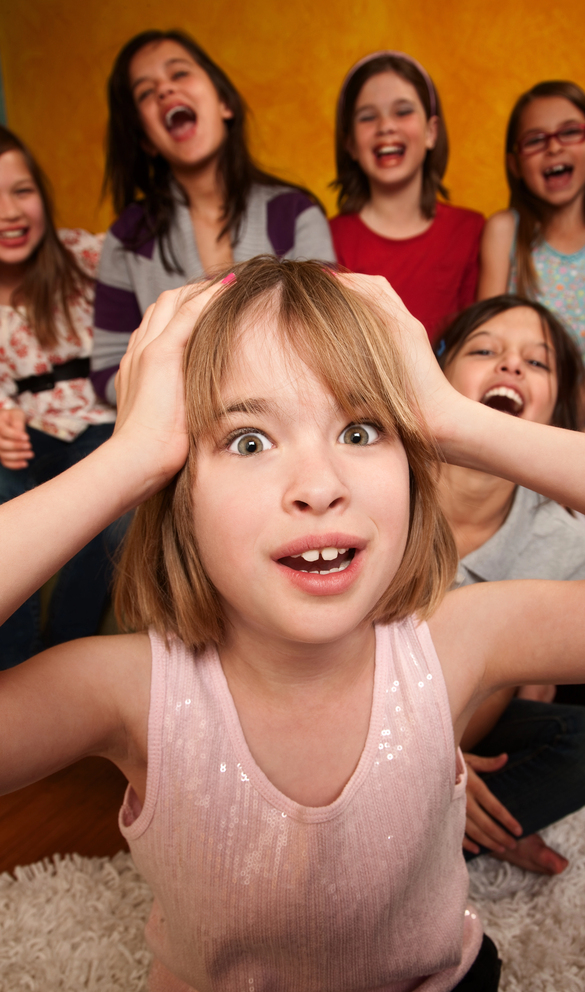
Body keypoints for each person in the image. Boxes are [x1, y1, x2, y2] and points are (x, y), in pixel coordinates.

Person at [5, 260, 585, 992]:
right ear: (176, 492)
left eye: (360, 429)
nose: (321, 486)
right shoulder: (123, 689)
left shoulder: (457, 637)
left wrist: (455, 420)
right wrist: (127, 461)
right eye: (250, 441)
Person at [435, 295, 585, 875]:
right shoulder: (375, 474)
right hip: (329, 699)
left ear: (559, 414)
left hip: (458, 720)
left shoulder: (558, 544)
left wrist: (449, 770)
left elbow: (513, 688)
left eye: (536, 363)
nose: (510, 365)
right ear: (436, 376)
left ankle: (436, 822)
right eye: (485, 350)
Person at [91, 29, 334, 404]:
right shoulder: (127, 239)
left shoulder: (295, 213)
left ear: (225, 103)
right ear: (146, 140)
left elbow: (327, 330)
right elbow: (108, 372)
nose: (164, 91)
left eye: (180, 73)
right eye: (144, 92)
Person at [0, 125, 118, 669]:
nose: (9, 211)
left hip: (98, 421)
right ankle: (14, 664)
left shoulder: (86, 256)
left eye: (21, 191)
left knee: (99, 492)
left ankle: (60, 653)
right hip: (25, 431)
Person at [478, 81, 585, 416]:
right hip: (516, 416)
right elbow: (485, 341)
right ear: (515, 164)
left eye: (570, 132)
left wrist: (562, 427)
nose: (553, 148)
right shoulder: (504, 231)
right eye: (536, 140)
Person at [329, 51, 484, 341]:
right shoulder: (326, 238)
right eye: (367, 117)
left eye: (403, 111)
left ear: (431, 132)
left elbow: (476, 342)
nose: (386, 126)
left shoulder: (471, 231)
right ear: (349, 143)